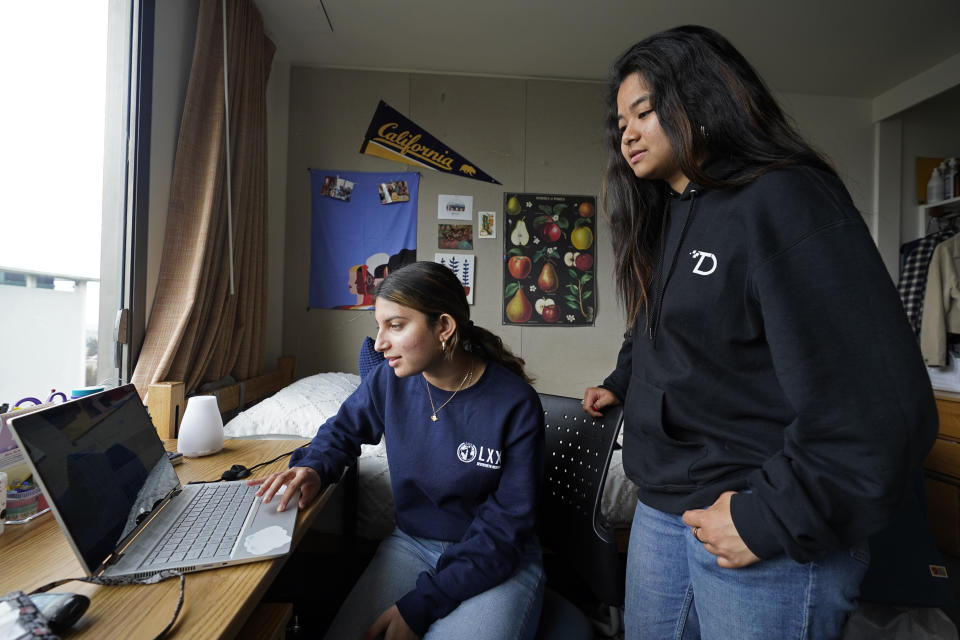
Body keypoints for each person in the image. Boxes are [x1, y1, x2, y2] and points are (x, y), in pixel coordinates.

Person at [581, 25, 939, 639]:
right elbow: (659, 322)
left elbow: (882, 407)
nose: (628, 133)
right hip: (662, 509)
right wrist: (625, 381)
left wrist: (770, 516)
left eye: (643, 111)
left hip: (753, 517)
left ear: (700, 98)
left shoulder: (785, 196)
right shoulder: (666, 215)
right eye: (620, 123)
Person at [253, 261, 546, 640]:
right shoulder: (387, 382)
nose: (379, 344)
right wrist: (314, 468)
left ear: (443, 326)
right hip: (412, 544)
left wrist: (425, 602)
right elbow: (340, 431)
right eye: (379, 326)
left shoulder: (515, 403)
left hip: (496, 556)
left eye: (395, 325)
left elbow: (507, 526)